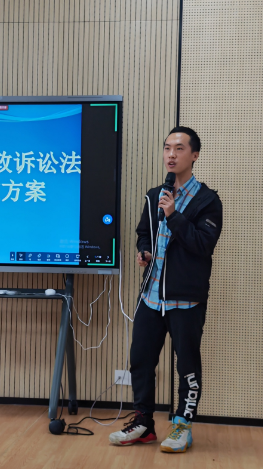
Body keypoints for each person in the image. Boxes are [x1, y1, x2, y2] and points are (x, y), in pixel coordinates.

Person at [109, 127, 223, 452]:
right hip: (151, 296)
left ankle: (182, 426)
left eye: (179, 148)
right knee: (140, 360)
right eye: (167, 148)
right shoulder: (154, 195)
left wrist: (173, 215)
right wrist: (144, 251)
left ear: (195, 155)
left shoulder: (208, 201)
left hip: (185, 300)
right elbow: (144, 232)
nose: (171, 154)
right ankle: (144, 423)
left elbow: (202, 244)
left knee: (186, 366)